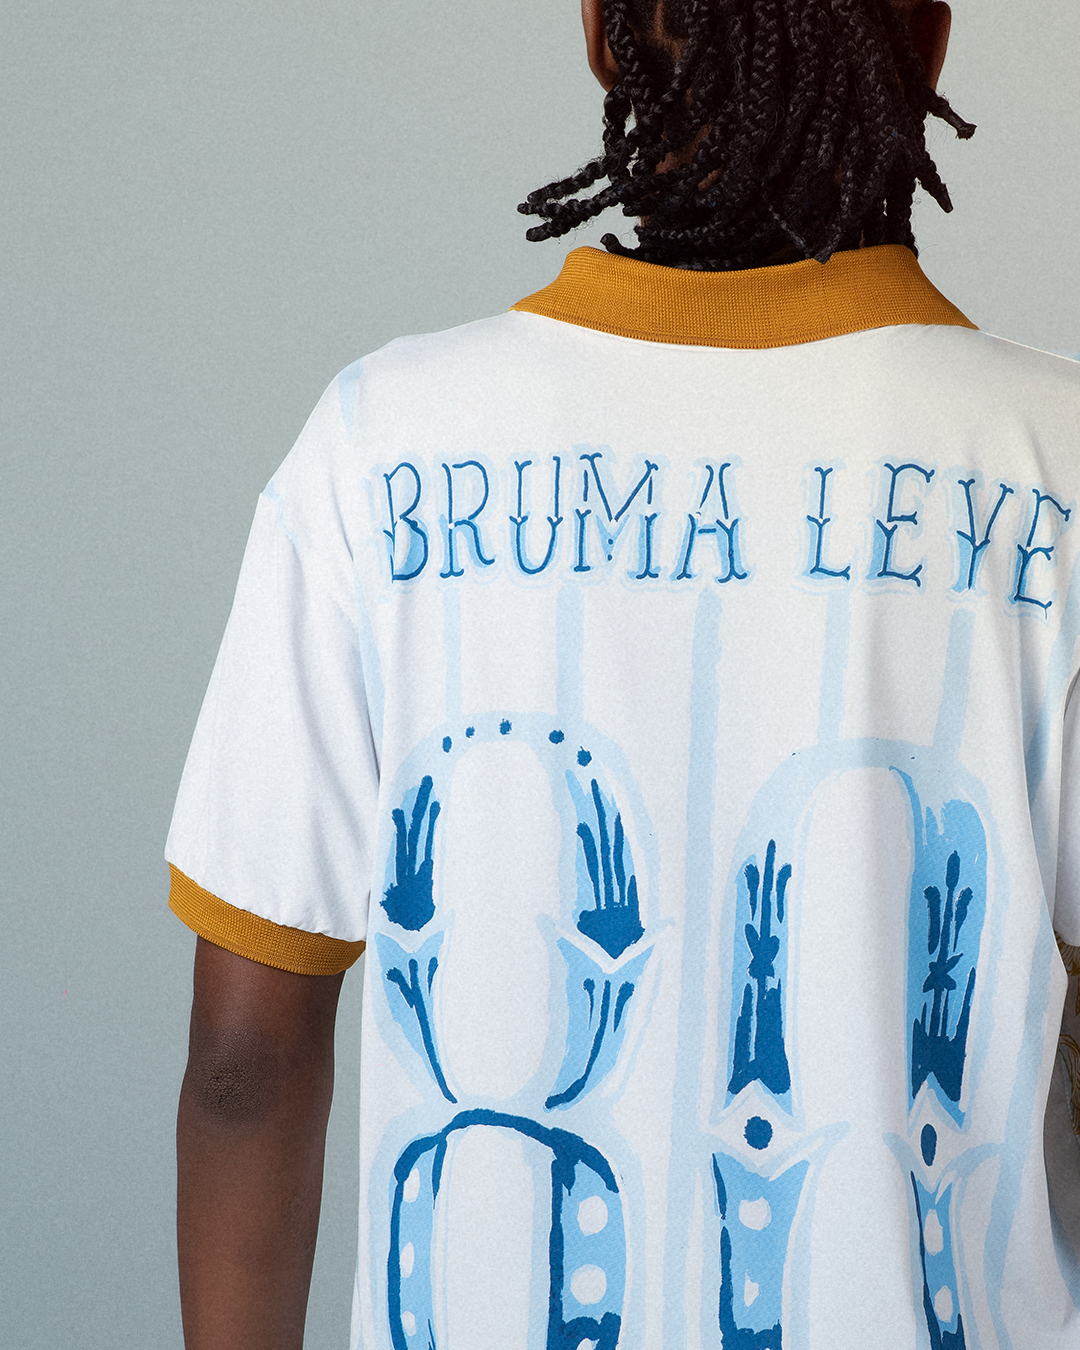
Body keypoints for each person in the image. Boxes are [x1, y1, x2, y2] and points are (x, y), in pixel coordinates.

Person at [168, 1, 1080, 1346]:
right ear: (931, 47)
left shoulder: (378, 452)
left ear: (603, 33)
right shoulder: (1054, 463)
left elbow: (247, 1064)